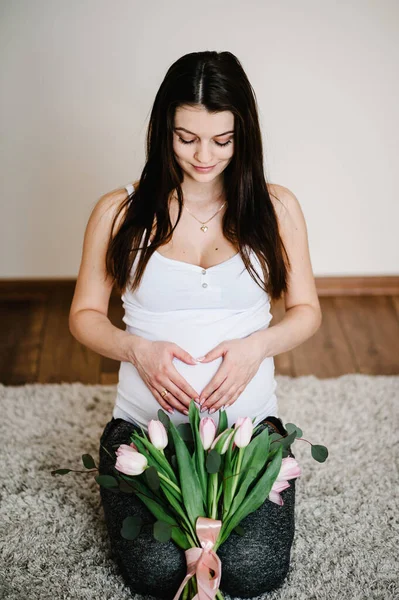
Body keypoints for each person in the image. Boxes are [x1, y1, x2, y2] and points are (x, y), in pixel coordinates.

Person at [69, 50, 322, 599]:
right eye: (187, 138)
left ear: (243, 135)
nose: (204, 155)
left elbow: (307, 312)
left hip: (246, 431)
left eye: (221, 140)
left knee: (255, 569)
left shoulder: (276, 208)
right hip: (146, 432)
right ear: (164, 130)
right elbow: (84, 316)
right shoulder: (120, 211)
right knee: (157, 571)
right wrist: (137, 350)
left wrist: (257, 347)